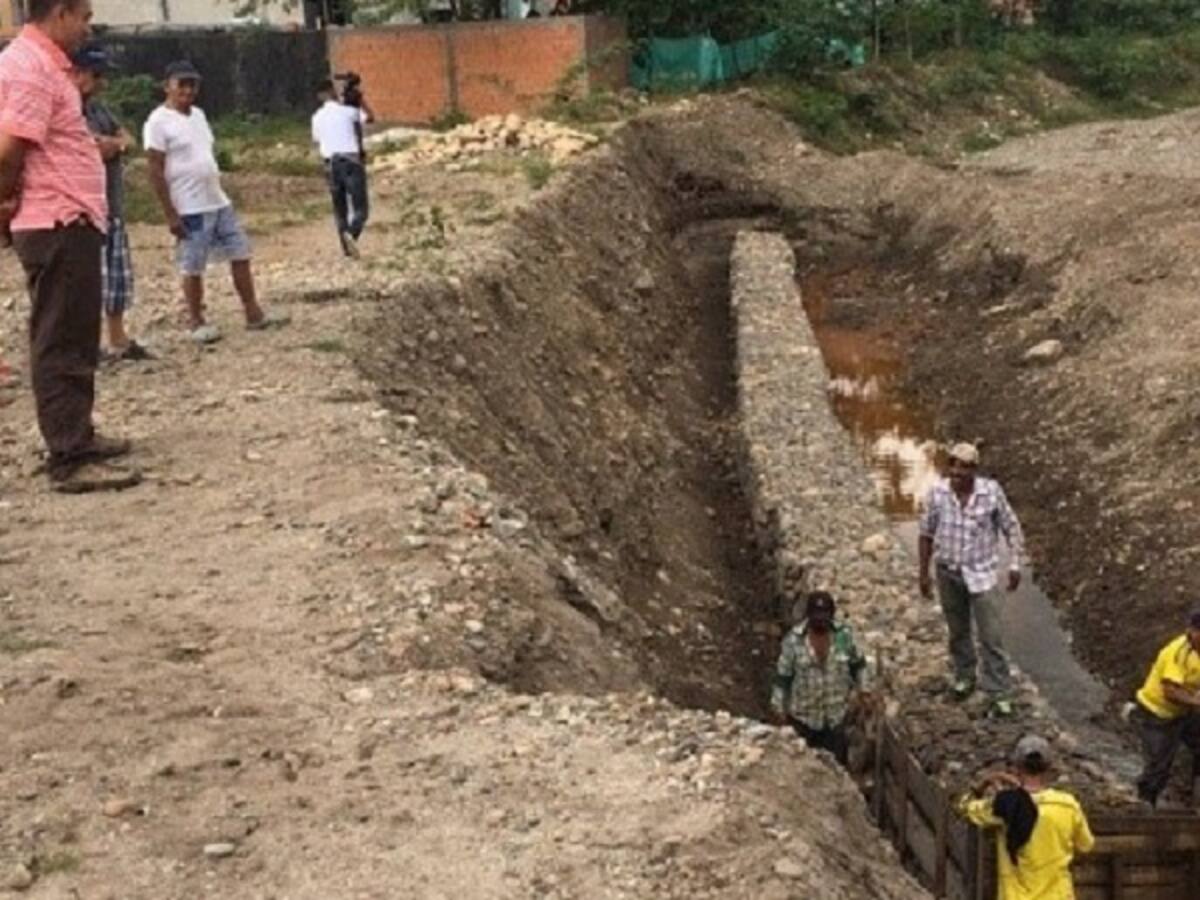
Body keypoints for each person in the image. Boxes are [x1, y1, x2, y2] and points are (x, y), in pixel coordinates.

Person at [0, 0, 138, 493]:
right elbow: (9, 147)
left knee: (75, 333)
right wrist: (4, 200)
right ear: (59, 13)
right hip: (55, 220)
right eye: (83, 17)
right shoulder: (32, 66)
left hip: (67, 219)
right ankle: (69, 455)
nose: (88, 27)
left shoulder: (43, 64)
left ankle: (77, 434)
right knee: (61, 337)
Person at [143, 60, 287, 345]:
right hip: (189, 205)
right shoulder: (157, 122)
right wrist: (170, 213)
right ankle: (196, 320)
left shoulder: (198, 115)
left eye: (192, 83)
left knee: (240, 252)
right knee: (193, 264)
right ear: (167, 86)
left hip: (217, 199)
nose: (187, 89)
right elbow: (155, 169)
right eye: (181, 83)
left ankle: (253, 312)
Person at [918, 442, 1025, 718]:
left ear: (974, 470)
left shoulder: (990, 493)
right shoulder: (938, 493)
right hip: (948, 572)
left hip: (983, 574)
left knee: (991, 636)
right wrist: (923, 573)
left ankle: (999, 691)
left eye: (965, 467)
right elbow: (926, 533)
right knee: (958, 631)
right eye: (953, 464)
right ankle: (964, 676)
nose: (958, 471)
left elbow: (1011, 528)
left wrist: (1014, 564)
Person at [70, 42, 151, 362]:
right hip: (84, 210)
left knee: (117, 277)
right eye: (97, 74)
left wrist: (113, 144)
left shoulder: (98, 109)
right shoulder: (67, 109)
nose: (102, 82)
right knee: (86, 282)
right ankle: (86, 346)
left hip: (112, 206)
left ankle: (117, 338)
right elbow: (93, 148)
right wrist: (112, 145)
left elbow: (124, 139)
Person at [958, 734, 1094, 900]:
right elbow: (1086, 845)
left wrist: (983, 785)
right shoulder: (1068, 805)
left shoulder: (1006, 806)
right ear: (1048, 767)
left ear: (1017, 766)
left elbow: (965, 807)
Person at [769, 591, 867, 764]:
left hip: (835, 720)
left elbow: (858, 665)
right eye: (816, 614)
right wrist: (778, 707)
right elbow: (783, 677)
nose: (821, 619)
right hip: (803, 721)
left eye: (825, 614)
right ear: (808, 615)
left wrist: (864, 690)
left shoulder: (843, 636)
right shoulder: (794, 640)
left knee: (836, 772)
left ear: (832, 614)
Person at [1130, 610, 1200, 809]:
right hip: (1157, 713)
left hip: (1185, 711)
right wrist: (1196, 702)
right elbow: (1170, 692)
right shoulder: (1177, 652)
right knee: (1159, 763)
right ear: (1193, 632)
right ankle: (1145, 802)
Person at [311, 77, 372, 258]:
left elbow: (317, 139)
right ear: (332, 91)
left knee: (340, 210)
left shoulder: (317, 117)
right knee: (361, 209)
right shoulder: (348, 111)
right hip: (350, 162)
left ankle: (346, 250)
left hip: (330, 164)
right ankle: (351, 235)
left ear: (319, 96)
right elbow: (369, 118)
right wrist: (360, 101)